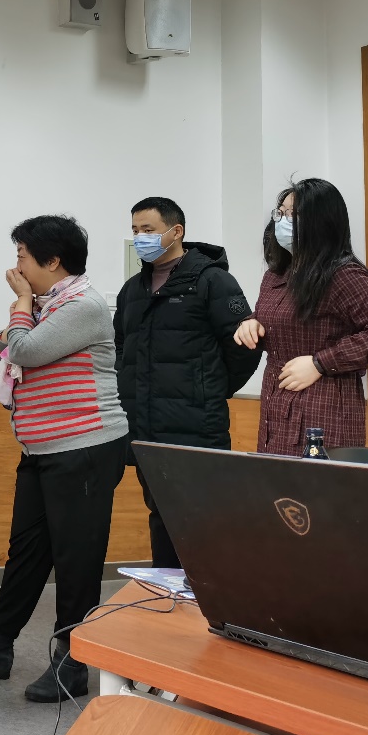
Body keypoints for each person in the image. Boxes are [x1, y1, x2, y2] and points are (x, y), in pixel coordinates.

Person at [0, 215, 128, 704]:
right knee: (26, 552)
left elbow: (22, 349)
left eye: (22, 256)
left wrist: (20, 311)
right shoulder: (44, 309)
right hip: (42, 449)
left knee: (76, 560)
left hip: (85, 447)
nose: (16, 266)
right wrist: (20, 317)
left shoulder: (84, 306)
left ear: (53, 261)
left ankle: (73, 662)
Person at [114, 197, 261, 569]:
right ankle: (167, 594)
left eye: (148, 230)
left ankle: (210, 597)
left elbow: (245, 346)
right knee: (161, 514)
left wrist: (209, 389)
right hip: (145, 427)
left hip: (197, 426)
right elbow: (121, 350)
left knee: (201, 519)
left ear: (175, 231)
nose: (140, 238)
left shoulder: (213, 281)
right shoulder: (132, 290)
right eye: (135, 231)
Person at [234, 179, 368, 456]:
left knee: (317, 483)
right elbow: (286, 319)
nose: (282, 221)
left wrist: (321, 362)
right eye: (280, 213)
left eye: (293, 214)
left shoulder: (343, 275)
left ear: (321, 221)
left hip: (324, 409)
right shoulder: (276, 274)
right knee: (275, 481)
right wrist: (252, 323)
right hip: (276, 407)